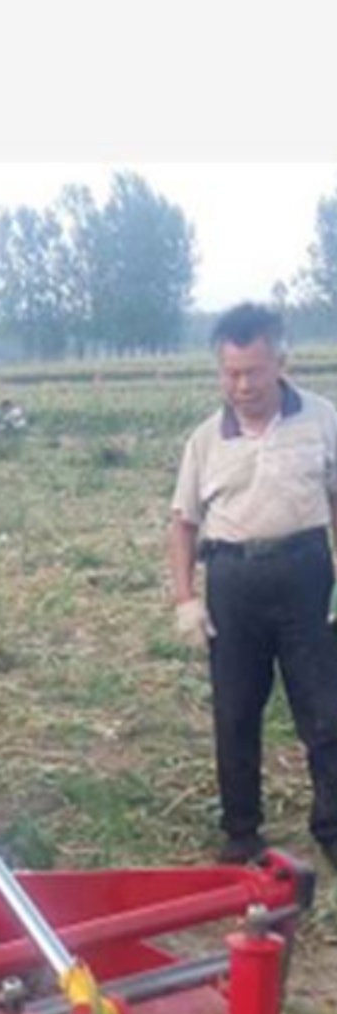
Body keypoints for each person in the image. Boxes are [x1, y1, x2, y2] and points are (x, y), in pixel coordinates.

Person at [169, 301, 337, 867]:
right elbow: (183, 522)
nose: (241, 386)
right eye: (230, 373)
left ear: (280, 362)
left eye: (253, 372)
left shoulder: (321, 419)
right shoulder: (204, 440)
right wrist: (187, 598)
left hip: (305, 574)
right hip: (234, 582)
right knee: (235, 711)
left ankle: (332, 826)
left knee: (325, 709)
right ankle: (242, 832)